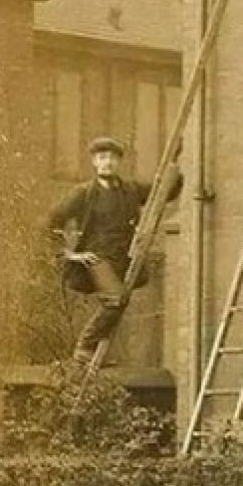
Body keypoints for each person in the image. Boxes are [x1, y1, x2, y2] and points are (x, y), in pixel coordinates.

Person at [49, 137, 183, 360]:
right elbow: (53, 221)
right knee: (115, 299)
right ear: (94, 162)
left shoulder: (130, 190)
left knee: (119, 304)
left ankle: (97, 353)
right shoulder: (83, 193)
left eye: (112, 158)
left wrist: (175, 163)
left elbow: (164, 193)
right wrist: (70, 254)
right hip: (97, 259)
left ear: (119, 162)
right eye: (102, 158)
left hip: (124, 257)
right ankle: (85, 345)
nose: (107, 162)